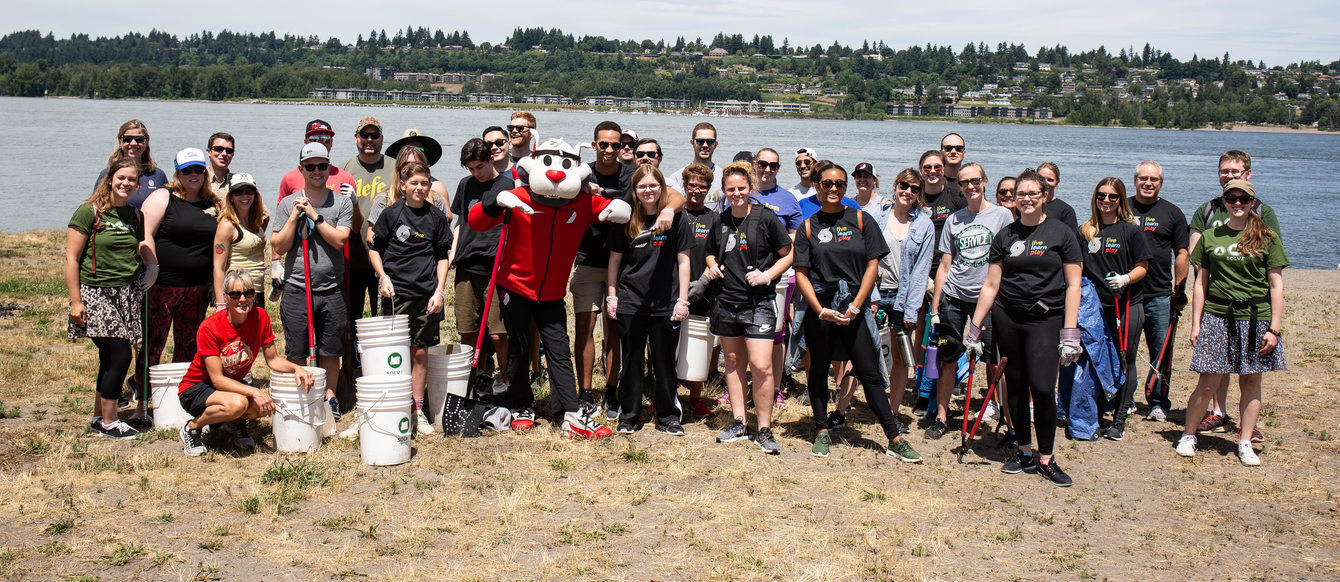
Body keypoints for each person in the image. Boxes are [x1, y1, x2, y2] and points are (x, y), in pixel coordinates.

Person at [794, 163, 922, 462]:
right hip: (822, 308)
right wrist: (820, 310)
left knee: (869, 371)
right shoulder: (809, 226)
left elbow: (872, 267)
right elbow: (801, 273)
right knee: (818, 370)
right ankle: (822, 429)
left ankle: (893, 437)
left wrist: (855, 306)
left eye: (840, 183)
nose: (834, 189)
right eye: (828, 184)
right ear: (818, 187)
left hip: (855, 305)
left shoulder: (862, 220)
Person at [969, 169, 1083, 486]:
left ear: (1044, 196)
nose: (1028, 199)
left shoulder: (1061, 233)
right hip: (1008, 317)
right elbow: (991, 284)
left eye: (1034, 193)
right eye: (1022, 194)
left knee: (1044, 387)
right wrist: (975, 327)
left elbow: (1074, 284)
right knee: (1015, 387)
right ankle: (1023, 451)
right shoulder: (1006, 235)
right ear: (1015, 198)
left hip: (1046, 319)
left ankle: (1046, 458)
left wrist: (1070, 333)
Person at [1176, 179, 1286, 467]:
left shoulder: (1267, 237)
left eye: (1243, 199)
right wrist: (1195, 324)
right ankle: (1188, 435)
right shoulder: (1212, 236)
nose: (1237, 204)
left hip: (1255, 318)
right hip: (1217, 316)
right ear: (1224, 201)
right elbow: (1200, 283)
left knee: (1250, 382)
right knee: (1208, 384)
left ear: (1252, 202)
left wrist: (1274, 328)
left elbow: (1276, 285)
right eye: (1231, 199)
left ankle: (1245, 441)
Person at [704, 161, 793, 454]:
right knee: (732, 361)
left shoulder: (766, 218)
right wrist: (713, 265)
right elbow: (708, 253)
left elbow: (788, 254)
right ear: (724, 191)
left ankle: (764, 428)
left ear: (750, 188)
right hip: (726, 302)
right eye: (731, 189)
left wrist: (768, 275)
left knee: (761, 365)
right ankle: (739, 422)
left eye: (741, 188)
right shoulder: (720, 220)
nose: (737, 193)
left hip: (759, 302)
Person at [177, 270, 315, 456]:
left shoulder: (260, 317)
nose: (243, 299)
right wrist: (255, 391)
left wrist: (296, 368)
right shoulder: (210, 327)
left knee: (264, 407)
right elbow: (217, 379)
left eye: (248, 293)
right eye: (235, 295)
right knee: (238, 404)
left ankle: (234, 422)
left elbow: (273, 360)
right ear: (226, 297)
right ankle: (192, 428)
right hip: (197, 387)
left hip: (229, 386)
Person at [925, 162, 1013, 439]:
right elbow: (945, 266)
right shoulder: (954, 220)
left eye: (975, 181)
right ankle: (941, 415)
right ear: (960, 188)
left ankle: (1006, 419)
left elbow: (1010, 260)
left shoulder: (1003, 216)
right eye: (965, 183)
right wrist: (936, 306)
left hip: (989, 299)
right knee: (948, 357)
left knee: (995, 360)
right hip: (954, 296)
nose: (971, 186)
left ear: (985, 181)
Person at [67, 157, 152, 439]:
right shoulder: (88, 211)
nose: (126, 183)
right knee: (119, 353)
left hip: (126, 292)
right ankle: (110, 421)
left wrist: (152, 266)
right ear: (109, 179)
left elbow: (139, 245)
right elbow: (71, 257)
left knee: (108, 355)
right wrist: (76, 301)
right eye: (121, 178)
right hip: (96, 291)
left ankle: (98, 416)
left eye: (131, 180)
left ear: (137, 185)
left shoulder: (134, 215)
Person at [606, 165, 693, 435]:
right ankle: (629, 415)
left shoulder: (677, 220)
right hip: (631, 302)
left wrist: (683, 299)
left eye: (653, 185)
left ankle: (668, 415)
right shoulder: (627, 219)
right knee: (631, 360)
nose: (648, 191)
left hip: (665, 303)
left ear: (662, 188)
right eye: (642, 186)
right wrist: (612, 295)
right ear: (635, 190)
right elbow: (615, 261)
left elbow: (684, 260)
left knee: (665, 361)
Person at [135, 148, 220, 423]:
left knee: (188, 346)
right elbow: (144, 234)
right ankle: (142, 404)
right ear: (177, 173)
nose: (193, 175)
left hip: (196, 288)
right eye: (187, 171)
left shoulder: (212, 203)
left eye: (198, 170)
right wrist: (152, 267)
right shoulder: (163, 196)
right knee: (152, 345)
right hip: (162, 287)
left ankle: (180, 402)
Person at [369, 161, 453, 436]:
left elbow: (443, 256)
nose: (419, 188)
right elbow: (375, 249)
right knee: (396, 353)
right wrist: (383, 277)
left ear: (430, 185)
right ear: (403, 186)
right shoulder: (391, 214)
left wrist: (439, 290)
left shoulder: (436, 217)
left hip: (426, 295)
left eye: (424, 183)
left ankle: (417, 409)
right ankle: (396, 404)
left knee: (420, 351)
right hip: (397, 294)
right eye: (414, 183)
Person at [270, 142, 353, 417]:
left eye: (322, 166)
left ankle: (330, 398)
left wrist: (315, 217)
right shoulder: (286, 203)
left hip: (332, 288)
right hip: (297, 287)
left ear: (329, 169)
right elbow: (278, 246)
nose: (316, 171)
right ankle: (301, 395)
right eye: (310, 166)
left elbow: (340, 240)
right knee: (296, 348)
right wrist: (295, 215)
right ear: (301, 169)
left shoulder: (340, 202)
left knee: (331, 349)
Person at [1079, 178, 1151, 441]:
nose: (1106, 201)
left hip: (1127, 303)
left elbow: (1143, 266)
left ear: (1121, 199)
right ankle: (1095, 415)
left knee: (1125, 358)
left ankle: (1119, 419)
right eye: (1101, 196)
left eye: (1112, 197)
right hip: (1094, 308)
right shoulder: (1086, 230)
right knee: (1097, 359)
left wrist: (1125, 278)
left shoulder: (1131, 231)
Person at [574, 121, 637, 415]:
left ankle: (612, 391)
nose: (610, 150)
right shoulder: (581, 174)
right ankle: (585, 392)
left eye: (615, 144)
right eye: (604, 144)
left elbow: (660, 197)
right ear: (594, 144)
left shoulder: (632, 176)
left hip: (622, 265)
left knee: (615, 331)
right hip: (587, 260)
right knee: (584, 329)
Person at [448, 139, 515, 384]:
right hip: (467, 263)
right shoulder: (466, 185)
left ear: (490, 159)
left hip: (494, 266)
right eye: (471, 168)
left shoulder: (505, 185)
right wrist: (454, 250)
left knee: (498, 333)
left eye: (479, 167)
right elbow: (461, 221)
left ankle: (507, 377)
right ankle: (473, 378)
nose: (476, 173)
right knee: (467, 328)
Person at [1128, 161, 1189, 422]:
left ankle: (1158, 402)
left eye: (1153, 179)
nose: (1148, 183)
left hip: (1160, 295)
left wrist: (1179, 289)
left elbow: (1182, 253)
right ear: (1135, 180)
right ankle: (1125, 399)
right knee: (1125, 351)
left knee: (1160, 352)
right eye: (1143, 178)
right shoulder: (1123, 208)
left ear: (1160, 183)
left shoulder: (1172, 213)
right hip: (1128, 294)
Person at [339, 117, 393, 320]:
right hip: (351, 258)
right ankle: (352, 353)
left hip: (385, 258)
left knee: (384, 317)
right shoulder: (343, 169)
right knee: (351, 317)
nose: (369, 140)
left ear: (382, 138)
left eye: (374, 135)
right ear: (355, 137)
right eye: (364, 135)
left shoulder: (395, 168)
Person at [678, 163, 721, 417]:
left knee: (699, 345)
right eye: (692, 185)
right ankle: (665, 394)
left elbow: (718, 253)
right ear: (684, 185)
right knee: (666, 344)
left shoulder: (714, 219)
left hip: (704, 290)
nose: (696, 190)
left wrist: (704, 280)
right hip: (674, 289)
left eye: (702, 186)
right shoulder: (673, 213)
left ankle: (695, 397)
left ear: (708, 189)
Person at [212, 173, 269, 312]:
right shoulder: (227, 225)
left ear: (255, 194)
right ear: (231, 196)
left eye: (249, 191)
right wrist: (220, 303)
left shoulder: (255, 222)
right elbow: (218, 267)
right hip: (238, 294)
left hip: (256, 291)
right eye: (239, 192)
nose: (244, 196)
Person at [276, 120, 358, 203]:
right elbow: (282, 213)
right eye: (313, 139)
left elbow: (354, 215)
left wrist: (354, 202)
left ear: (331, 142)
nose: (320, 143)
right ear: (305, 142)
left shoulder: (346, 178)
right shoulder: (289, 179)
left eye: (325, 139)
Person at [95, 119, 168, 209]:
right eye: (128, 139)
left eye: (139, 139)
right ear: (120, 141)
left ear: (147, 141)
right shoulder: (107, 174)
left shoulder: (158, 175)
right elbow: (96, 206)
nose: (133, 143)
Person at [919, 150, 967, 270]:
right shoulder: (914, 197)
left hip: (948, 265)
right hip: (920, 264)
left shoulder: (957, 197)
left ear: (944, 169)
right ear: (920, 170)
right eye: (927, 167)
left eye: (938, 167)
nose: (933, 171)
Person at [667, 122, 723, 208]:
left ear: (715, 144)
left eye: (710, 141)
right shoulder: (677, 178)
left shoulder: (724, 177)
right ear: (692, 143)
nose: (705, 145)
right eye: (700, 141)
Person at [1037, 161, 1080, 236]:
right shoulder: (1028, 206)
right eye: (1041, 179)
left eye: (1050, 180)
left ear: (1057, 182)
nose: (1045, 183)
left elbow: (1072, 241)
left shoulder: (1066, 211)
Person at [205, 132, 236, 199]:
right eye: (218, 149)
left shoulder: (238, 182)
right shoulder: (197, 180)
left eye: (229, 150)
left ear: (232, 155)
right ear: (208, 152)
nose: (224, 153)